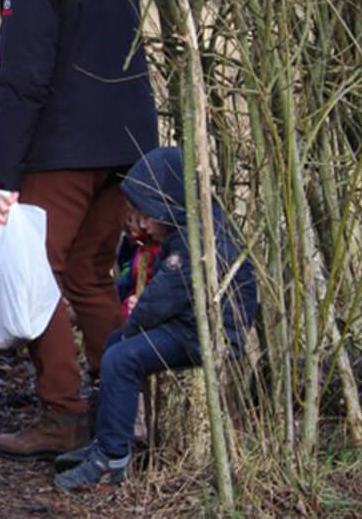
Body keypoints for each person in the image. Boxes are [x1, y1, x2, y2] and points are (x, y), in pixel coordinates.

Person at [0, 0, 159, 460]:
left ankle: (64, 413)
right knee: (90, 274)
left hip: (61, 148)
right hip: (128, 148)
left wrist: (2, 173)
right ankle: (123, 415)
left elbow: (25, 77)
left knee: (42, 274)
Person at [53, 147, 258, 491]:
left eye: (149, 215)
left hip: (212, 334)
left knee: (121, 356)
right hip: (194, 322)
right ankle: (106, 440)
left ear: (172, 206)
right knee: (116, 345)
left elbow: (156, 305)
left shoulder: (193, 246)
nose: (143, 224)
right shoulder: (189, 226)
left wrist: (130, 333)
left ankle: (111, 463)